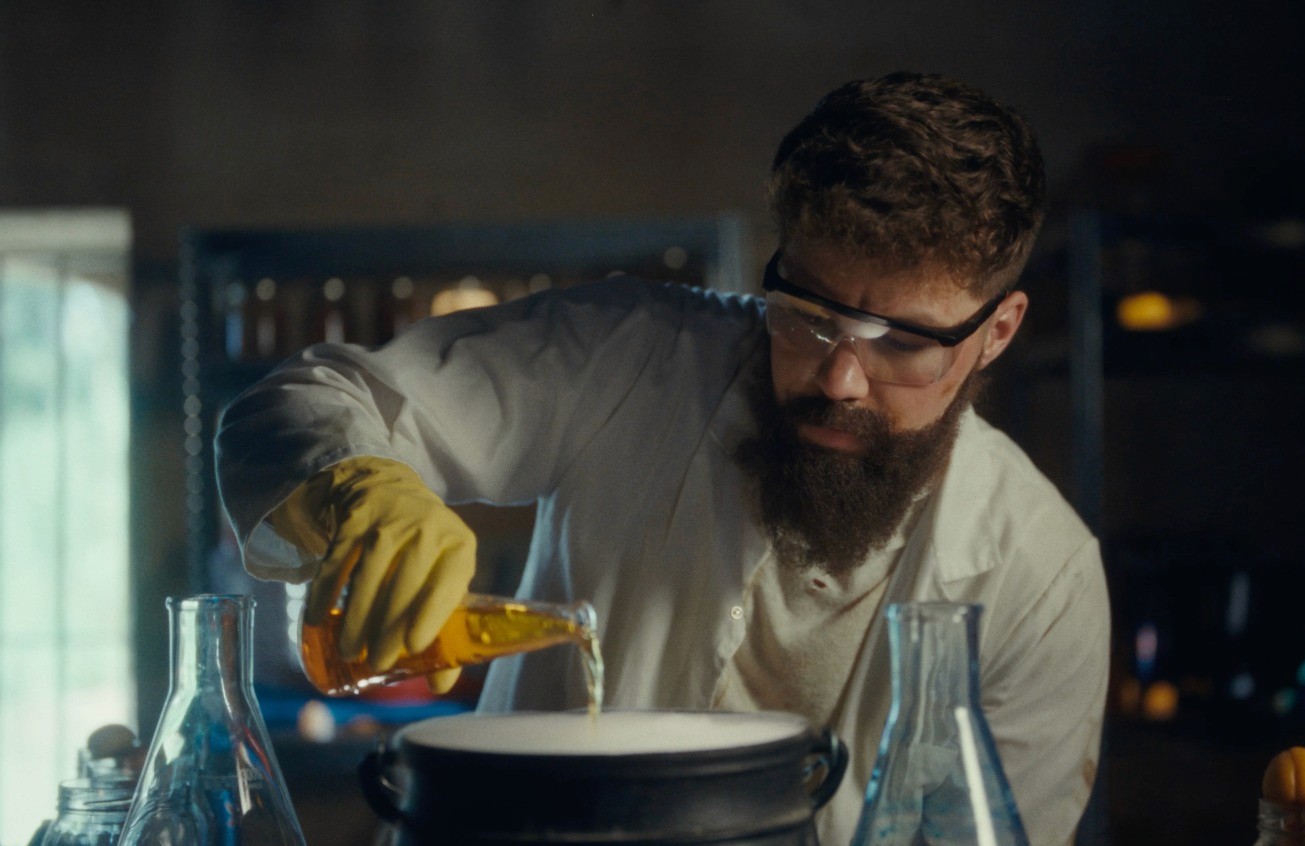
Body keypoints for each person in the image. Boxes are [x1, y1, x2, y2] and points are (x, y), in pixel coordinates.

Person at [216, 71, 1109, 845]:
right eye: (807, 314)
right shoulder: (631, 356)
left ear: (998, 332)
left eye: (903, 344)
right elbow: (307, 400)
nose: (839, 378)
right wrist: (360, 488)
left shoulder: (1040, 579)